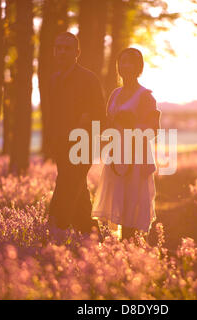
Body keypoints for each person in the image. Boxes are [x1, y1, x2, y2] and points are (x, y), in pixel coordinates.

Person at [91, 48, 161, 240]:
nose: (125, 66)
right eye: (122, 62)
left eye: (130, 62)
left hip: (136, 158)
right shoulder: (115, 94)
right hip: (116, 156)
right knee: (119, 203)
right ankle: (124, 250)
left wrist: (133, 125)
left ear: (139, 67)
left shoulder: (146, 96)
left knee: (132, 205)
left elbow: (153, 131)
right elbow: (107, 124)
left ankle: (131, 247)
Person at [46, 32, 106, 234]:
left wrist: (85, 124)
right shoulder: (54, 79)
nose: (62, 52)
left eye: (67, 48)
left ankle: (53, 232)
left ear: (77, 52)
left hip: (82, 146)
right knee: (78, 193)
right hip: (61, 147)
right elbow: (51, 115)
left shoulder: (89, 79)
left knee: (64, 190)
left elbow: (100, 114)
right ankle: (91, 235)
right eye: (58, 47)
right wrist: (53, 142)